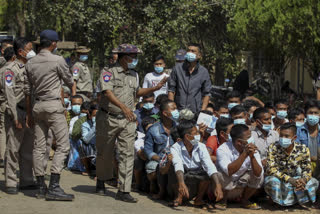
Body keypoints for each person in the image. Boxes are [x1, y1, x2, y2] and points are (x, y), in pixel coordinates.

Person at [95, 44, 167, 203]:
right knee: (104, 152)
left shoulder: (134, 74)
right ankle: (101, 179)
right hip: (108, 118)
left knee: (127, 154)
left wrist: (156, 87)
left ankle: (124, 190)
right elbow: (107, 92)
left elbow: (137, 92)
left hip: (127, 120)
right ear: (123, 57)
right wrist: (123, 107)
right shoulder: (108, 72)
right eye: (133, 56)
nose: (135, 60)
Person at [25, 29, 75, 201]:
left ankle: (40, 187)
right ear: (53, 44)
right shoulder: (58, 60)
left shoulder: (30, 62)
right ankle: (54, 185)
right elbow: (69, 80)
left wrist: (29, 113)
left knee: (39, 148)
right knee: (63, 145)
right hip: (54, 106)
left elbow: (27, 89)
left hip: (37, 106)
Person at [1, 38, 36, 194]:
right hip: (17, 111)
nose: (32, 51)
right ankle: (10, 182)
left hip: (29, 112)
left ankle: (27, 180)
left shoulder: (30, 67)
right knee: (13, 149)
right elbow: (9, 96)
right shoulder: (10, 69)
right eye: (29, 48)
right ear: (20, 51)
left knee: (28, 149)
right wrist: (15, 117)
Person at [169, 120, 223, 207]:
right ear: (187, 136)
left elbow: (209, 164)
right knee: (174, 170)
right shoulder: (175, 147)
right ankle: (178, 197)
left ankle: (199, 199)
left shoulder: (200, 146)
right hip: (183, 173)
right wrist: (182, 183)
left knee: (208, 173)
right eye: (196, 133)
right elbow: (178, 165)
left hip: (196, 173)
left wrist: (218, 184)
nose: (199, 134)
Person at [265, 123, 319, 207]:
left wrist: (303, 180)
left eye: (286, 136)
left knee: (313, 182)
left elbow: (307, 169)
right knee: (272, 181)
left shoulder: (303, 149)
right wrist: (289, 179)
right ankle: (278, 202)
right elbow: (271, 169)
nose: (283, 138)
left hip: (297, 180)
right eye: (281, 136)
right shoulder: (273, 147)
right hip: (280, 180)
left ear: (294, 138)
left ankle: (299, 201)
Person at [216, 124, 263, 210]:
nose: (251, 139)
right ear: (239, 142)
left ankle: (244, 200)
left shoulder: (252, 148)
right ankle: (222, 201)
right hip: (224, 186)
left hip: (241, 184)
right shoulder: (223, 149)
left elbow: (258, 173)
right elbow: (229, 171)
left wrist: (252, 156)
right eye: (248, 137)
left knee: (259, 175)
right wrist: (245, 154)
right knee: (221, 174)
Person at [144, 100, 178, 198]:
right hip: (159, 158)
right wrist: (160, 160)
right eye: (174, 109)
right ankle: (159, 188)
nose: (177, 111)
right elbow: (148, 150)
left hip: (175, 158)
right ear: (165, 113)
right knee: (153, 169)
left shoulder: (178, 127)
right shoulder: (153, 129)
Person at [168, 43, 212, 113]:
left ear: (199, 55)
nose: (190, 53)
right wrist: (172, 108)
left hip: (195, 111)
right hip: (179, 110)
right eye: (188, 50)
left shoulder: (204, 72)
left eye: (193, 51)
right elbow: (171, 90)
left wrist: (202, 111)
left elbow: (206, 94)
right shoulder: (177, 69)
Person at [296, 99, 320, 178]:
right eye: (310, 113)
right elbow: (296, 151)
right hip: (303, 166)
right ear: (306, 115)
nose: (313, 115)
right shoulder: (298, 131)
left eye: (316, 113)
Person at [134, 116, 156, 192]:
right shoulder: (141, 140)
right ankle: (138, 184)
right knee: (137, 159)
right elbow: (142, 156)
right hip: (149, 159)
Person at [0, 40, 13, 167]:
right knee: (4, 129)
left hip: (3, 99)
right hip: (6, 100)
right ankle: (3, 156)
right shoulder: (7, 66)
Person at [80, 103, 98, 176]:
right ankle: (88, 169)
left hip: (102, 148)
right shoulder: (85, 125)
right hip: (92, 147)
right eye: (94, 116)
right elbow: (86, 139)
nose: (97, 117)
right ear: (90, 116)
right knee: (82, 145)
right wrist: (94, 128)